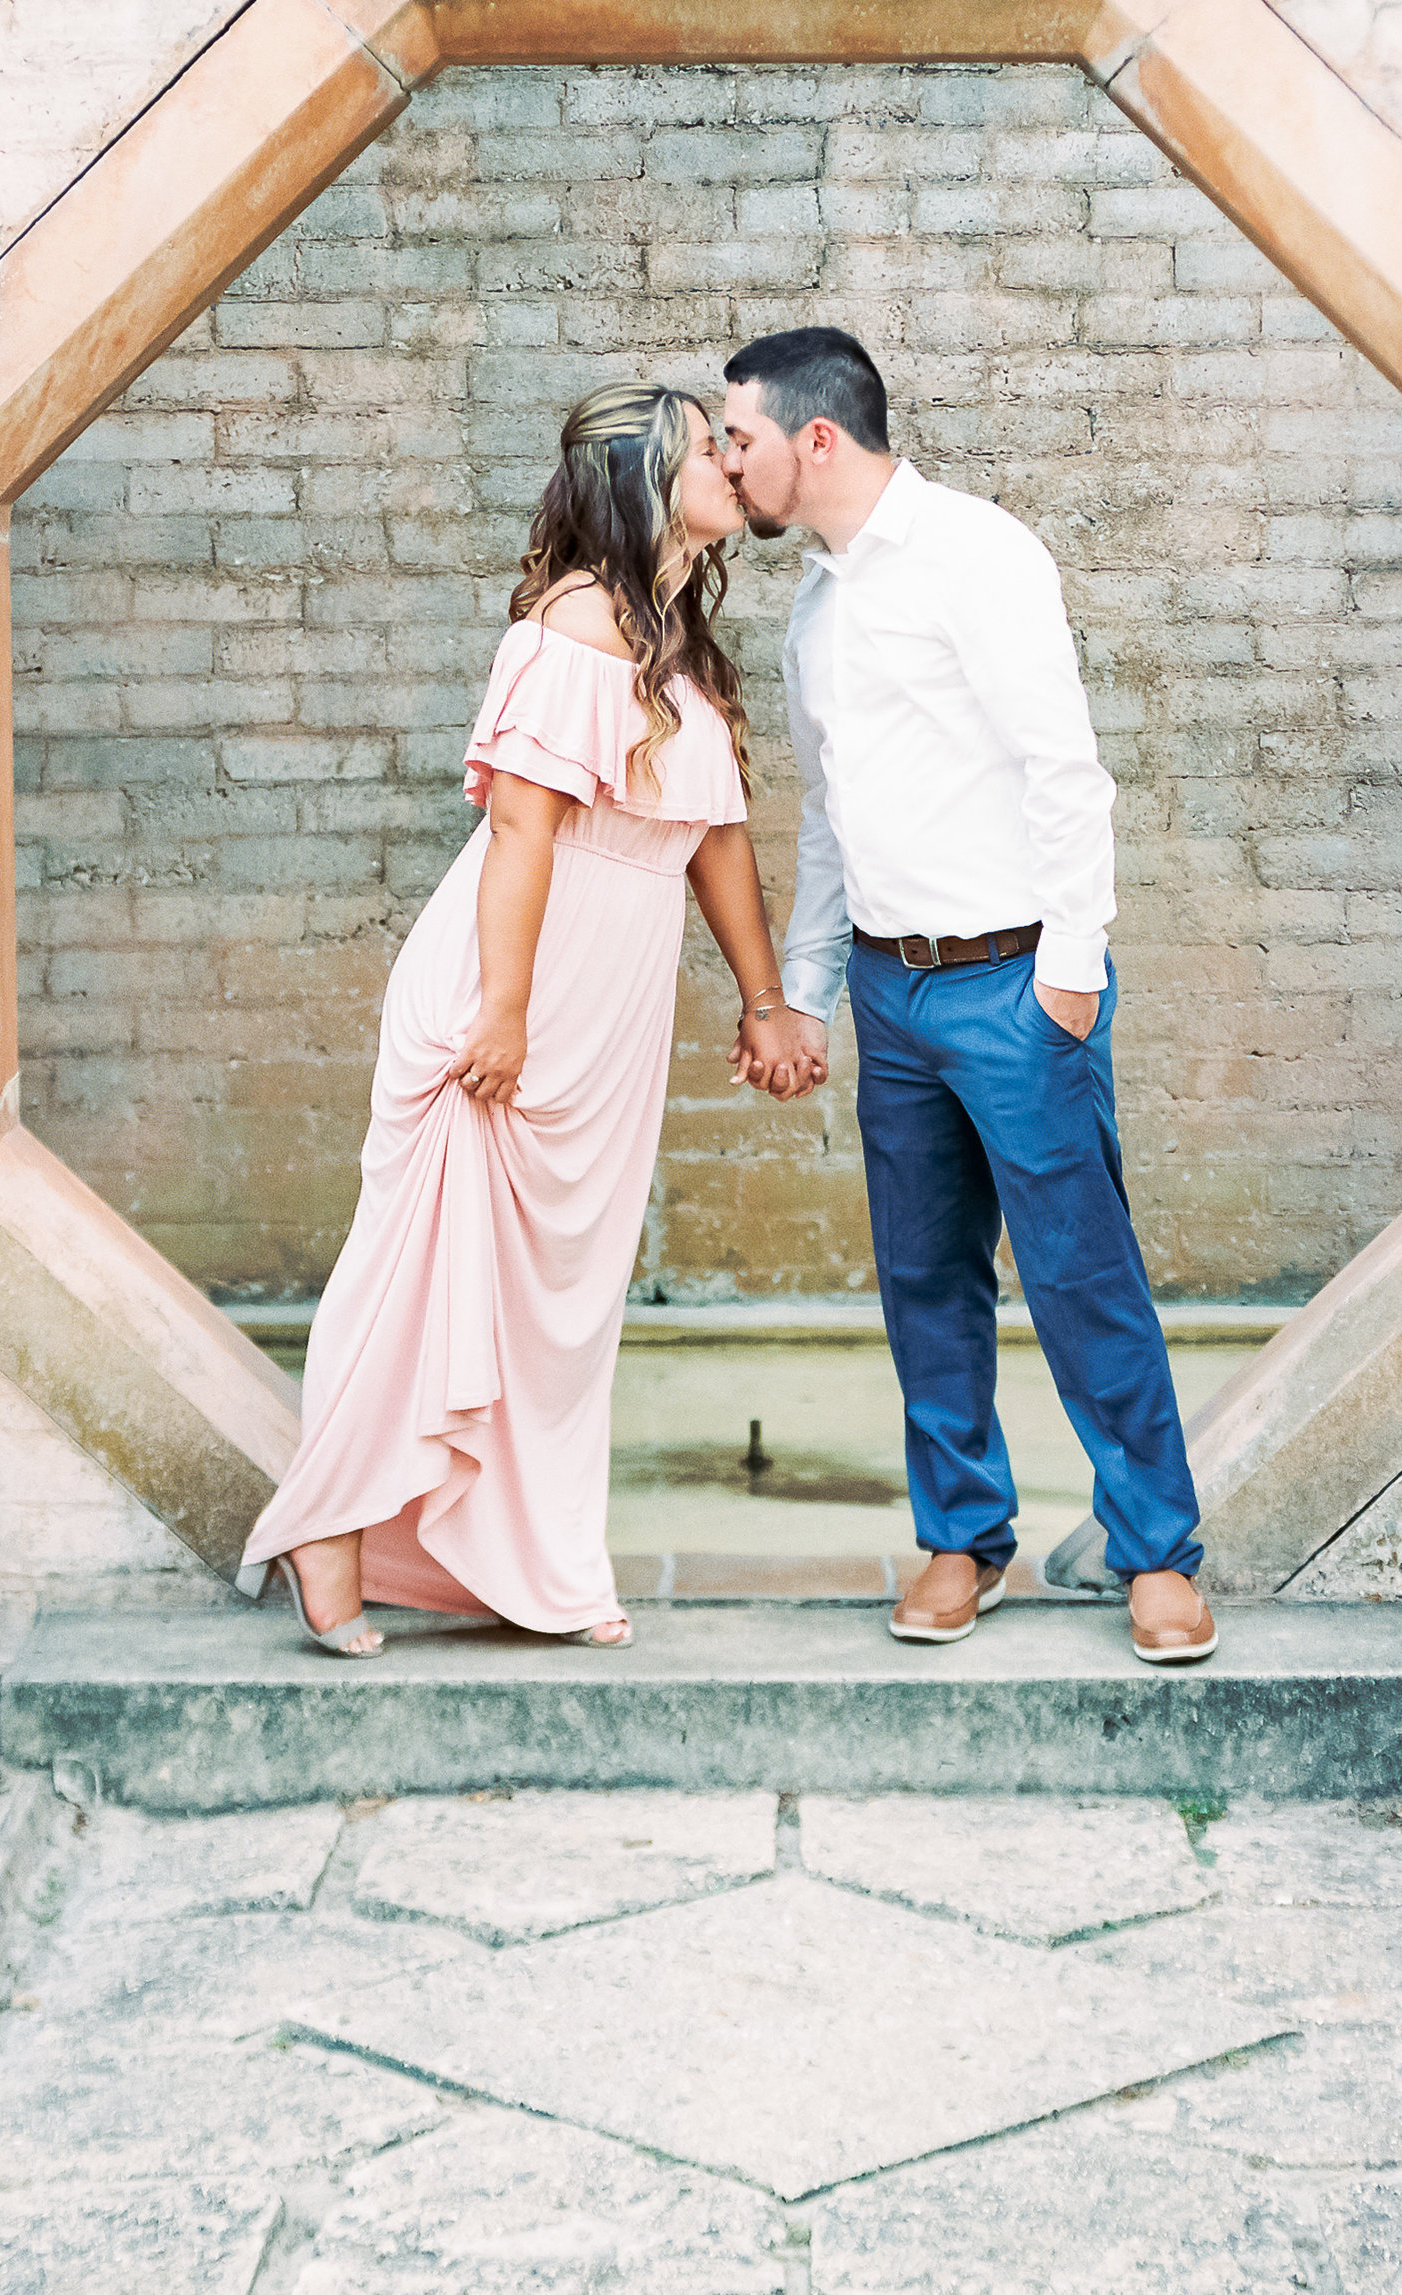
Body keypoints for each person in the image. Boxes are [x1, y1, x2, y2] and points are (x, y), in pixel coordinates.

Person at [239, 382, 810, 1657]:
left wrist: (761, 999)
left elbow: (712, 837)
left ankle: (515, 1558)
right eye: (705, 450)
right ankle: (329, 1528)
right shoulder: (574, 627)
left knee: (557, 1301)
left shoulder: (671, 636)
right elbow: (519, 828)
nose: (730, 463)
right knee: (421, 1266)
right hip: (517, 984)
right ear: (645, 479)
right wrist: (502, 1011)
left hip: (610, 1004)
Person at [722, 326, 1214, 1667]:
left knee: (1080, 1273)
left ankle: (1158, 1550)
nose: (725, 462)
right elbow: (828, 819)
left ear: (815, 437)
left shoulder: (977, 553)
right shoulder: (815, 608)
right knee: (926, 1280)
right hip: (892, 995)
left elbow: (1064, 769)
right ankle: (963, 1534)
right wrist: (811, 989)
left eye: (739, 439)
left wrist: (1068, 973)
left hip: (1015, 986)